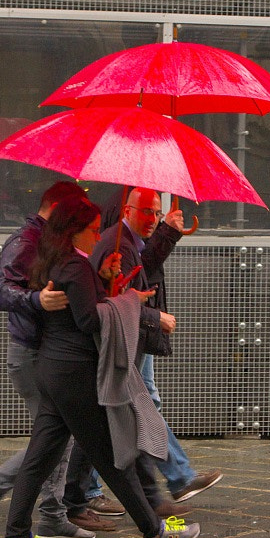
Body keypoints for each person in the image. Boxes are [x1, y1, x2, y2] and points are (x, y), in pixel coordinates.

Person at [0, 196, 200, 538]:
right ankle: (154, 533)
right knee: (113, 457)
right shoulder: (74, 266)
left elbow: (85, 305)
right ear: (74, 232)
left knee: (40, 457)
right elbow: (90, 321)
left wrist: (106, 278)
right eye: (93, 230)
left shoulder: (60, 261)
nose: (99, 235)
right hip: (74, 376)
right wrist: (134, 304)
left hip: (53, 371)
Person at [0, 181, 111, 538]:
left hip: (44, 351)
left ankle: (50, 515)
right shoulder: (25, 241)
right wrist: (35, 301)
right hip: (31, 352)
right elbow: (0, 292)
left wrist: (101, 278)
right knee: (52, 438)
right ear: (58, 206)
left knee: (59, 437)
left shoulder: (50, 242)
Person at [89, 187, 223, 507]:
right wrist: (154, 317)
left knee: (134, 406)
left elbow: (139, 270)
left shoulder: (128, 225)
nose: (152, 218)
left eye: (156, 213)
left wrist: (167, 232)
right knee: (135, 407)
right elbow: (124, 287)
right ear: (128, 210)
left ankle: (93, 492)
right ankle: (170, 481)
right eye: (147, 212)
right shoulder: (118, 227)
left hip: (132, 331)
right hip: (125, 333)